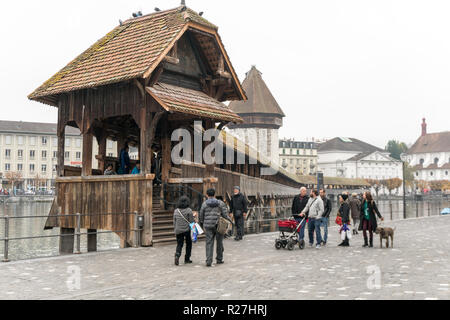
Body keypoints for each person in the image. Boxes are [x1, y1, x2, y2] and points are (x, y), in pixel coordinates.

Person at [199, 188, 230, 267]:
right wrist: (228, 221)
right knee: (219, 242)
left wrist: (202, 223)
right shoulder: (220, 203)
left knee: (209, 243)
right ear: (214, 194)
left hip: (208, 225)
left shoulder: (204, 204)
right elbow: (225, 215)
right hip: (219, 225)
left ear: (207, 195)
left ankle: (209, 260)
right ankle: (219, 259)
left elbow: (201, 215)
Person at [173, 196, 195, 266]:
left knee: (179, 244)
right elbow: (191, 222)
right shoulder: (189, 210)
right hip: (187, 230)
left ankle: (177, 255)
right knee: (188, 244)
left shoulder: (176, 211)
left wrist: (175, 230)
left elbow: (174, 221)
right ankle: (187, 259)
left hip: (178, 230)